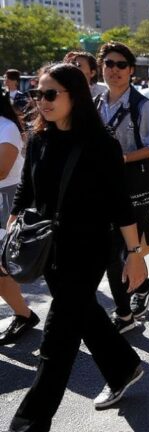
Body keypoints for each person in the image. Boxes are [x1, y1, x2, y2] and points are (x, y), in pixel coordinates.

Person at [7, 63, 145, 431]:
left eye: (51, 94)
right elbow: (26, 189)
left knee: (58, 339)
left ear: (75, 96)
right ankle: (124, 367)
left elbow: (120, 204)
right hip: (47, 247)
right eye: (38, 94)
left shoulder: (102, 144)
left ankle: (27, 424)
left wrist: (135, 256)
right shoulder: (38, 139)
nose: (42, 101)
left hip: (87, 250)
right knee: (82, 313)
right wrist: (14, 227)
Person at [95, 41, 149, 332]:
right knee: (119, 252)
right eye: (109, 64)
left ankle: (124, 313)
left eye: (120, 65)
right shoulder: (97, 104)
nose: (114, 70)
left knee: (120, 252)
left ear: (131, 70)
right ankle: (142, 287)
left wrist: (122, 157)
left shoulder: (142, 105)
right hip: (102, 190)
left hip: (132, 190)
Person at [0, 92, 39, 345]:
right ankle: (24, 314)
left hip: (6, 204)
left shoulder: (7, 127)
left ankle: (24, 315)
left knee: (2, 267)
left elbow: (2, 170)